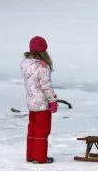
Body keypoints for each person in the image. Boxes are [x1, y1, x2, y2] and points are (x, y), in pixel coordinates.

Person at [20, 36, 58, 164]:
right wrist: (52, 101)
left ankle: (31, 155)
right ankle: (40, 157)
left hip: (31, 102)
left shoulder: (25, 64)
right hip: (42, 103)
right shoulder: (42, 66)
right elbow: (46, 86)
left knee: (33, 128)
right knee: (42, 130)